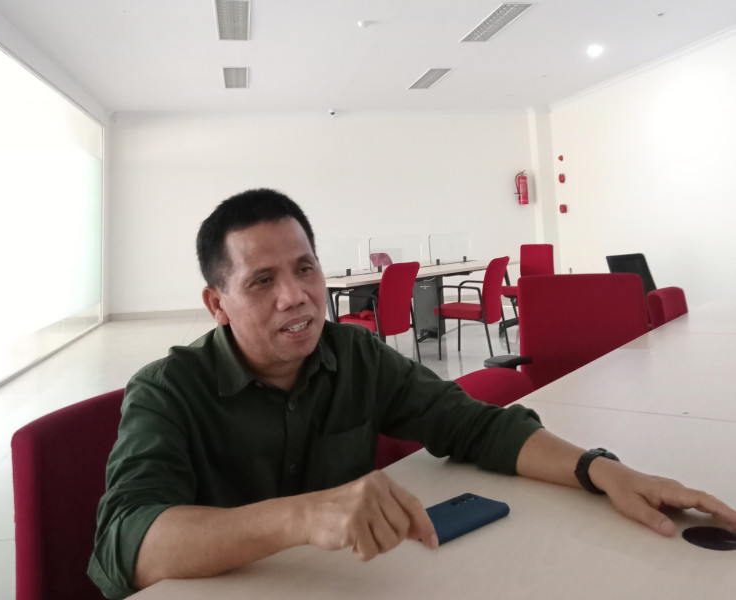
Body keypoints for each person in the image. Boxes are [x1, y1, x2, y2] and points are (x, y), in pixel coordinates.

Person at [89, 188, 736, 599]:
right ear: (217, 304)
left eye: (305, 268)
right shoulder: (166, 391)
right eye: (262, 281)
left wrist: (600, 470)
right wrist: (302, 516)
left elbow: (472, 425)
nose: (296, 297)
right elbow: (128, 545)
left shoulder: (356, 355)